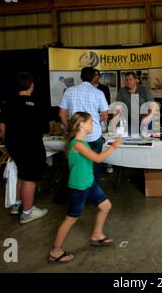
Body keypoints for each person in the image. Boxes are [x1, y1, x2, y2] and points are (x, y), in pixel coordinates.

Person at [48, 112, 121, 263]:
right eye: (90, 122)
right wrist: (114, 146)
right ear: (81, 125)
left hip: (89, 182)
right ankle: (55, 251)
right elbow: (98, 158)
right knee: (71, 218)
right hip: (79, 186)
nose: (92, 125)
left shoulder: (83, 143)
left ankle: (97, 235)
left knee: (105, 206)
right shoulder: (78, 144)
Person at [0, 71, 49, 224]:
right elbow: (45, 128)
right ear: (31, 85)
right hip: (32, 146)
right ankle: (27, 212)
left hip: (14, 146)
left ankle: (17, 204)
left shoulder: (8, 103)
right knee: (30, 178)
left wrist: (8, 144)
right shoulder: (36, 104)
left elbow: (2, 126)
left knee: (21, 173)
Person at [59, 67, 108, 183]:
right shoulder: (99, 93)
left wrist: (68, 128)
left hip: (76, 136)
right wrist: (95, 121)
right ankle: (92, 192)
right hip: (94, 135)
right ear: (93, 78)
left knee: (76, 166)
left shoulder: (69, 91)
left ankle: (77, 191)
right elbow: (105, 115)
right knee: (94, 165)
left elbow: (61, 114)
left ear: (81, 77)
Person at [113, 71, 157, 136]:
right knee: (129, 138)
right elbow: (118, 108)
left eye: (130, 79)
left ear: (136, 80)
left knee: (146, 139)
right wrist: (115, 122)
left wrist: (148, 118)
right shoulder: (122, 91)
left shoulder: (144, 89)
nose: (128, 81)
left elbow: (153, 106)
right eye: (126, 79)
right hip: (131, 120)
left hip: (146, 119)